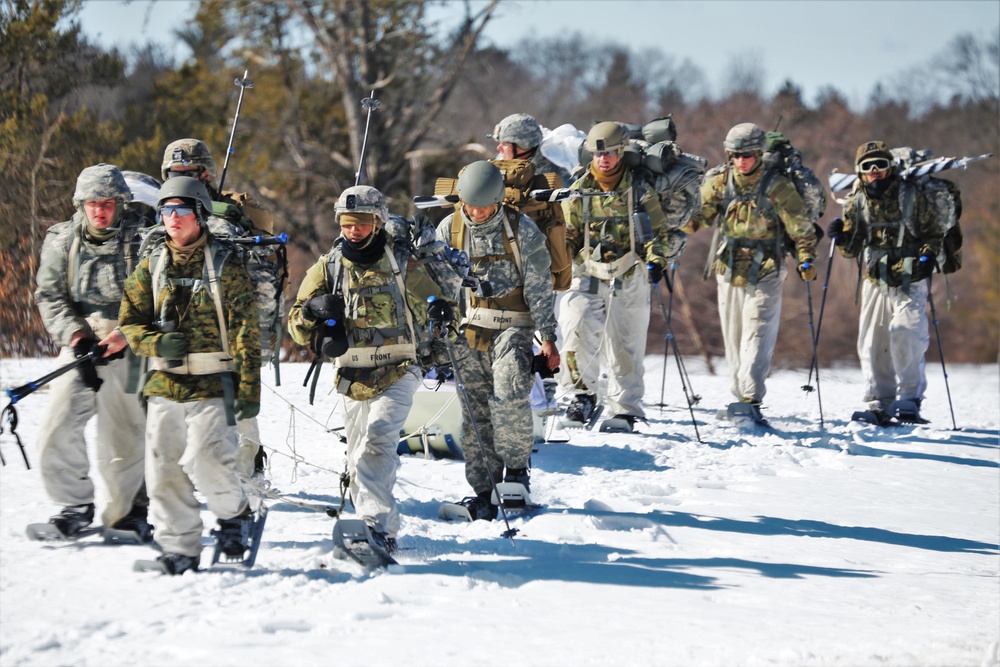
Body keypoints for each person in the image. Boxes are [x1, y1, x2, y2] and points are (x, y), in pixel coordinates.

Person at [287, 186, 457, 550]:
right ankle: (383, 522)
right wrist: (311, 311)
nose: (354, 230)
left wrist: (438, 309)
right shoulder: (329, 265)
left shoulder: (400, 263)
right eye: (347, 223)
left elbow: (433, 298)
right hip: (352, 375)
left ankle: (375, 528)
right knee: (357, 453)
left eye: (363, 222)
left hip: (399, 369)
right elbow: (295, 325)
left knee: (377, 443)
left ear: (378, 221)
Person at [118, 176, 261, 574]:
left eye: (180, 210)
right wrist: (153, 344)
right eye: (165, 211)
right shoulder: (152, 264)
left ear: (199, 213)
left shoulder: (225, 265)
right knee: (162, 468)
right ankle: (179, 545)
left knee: (207, 460)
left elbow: (247, 332)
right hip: (165, 383)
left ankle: (235, 515)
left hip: (214, 382)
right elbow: (129, 322)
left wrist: (250, 391)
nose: (172, 218)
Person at [435, 161, 560, 519]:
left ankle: (516, 474)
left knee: (508, 393)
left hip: (513, 327)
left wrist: (548, 337)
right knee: (474, 413)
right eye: (469, 205)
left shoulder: (522, 229)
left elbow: (539, 285)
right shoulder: (450, 228)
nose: (476, 212)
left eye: (483, 205)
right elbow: (438, 283)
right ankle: (485, 488)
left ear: (497, 200)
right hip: (468, 330)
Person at [32, 164, 151, 540]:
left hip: (129, 339)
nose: (100, 210)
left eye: (108, 203)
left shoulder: (146, 240)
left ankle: (127, 513)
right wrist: (76, 337)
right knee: (57, 422)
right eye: (92, 203)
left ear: (121, 203)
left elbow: (158, 297)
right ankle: (73, 505)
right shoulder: (62, 240)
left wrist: (124, 335)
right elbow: (50, 295)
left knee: (124, 432)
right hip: (81, 339)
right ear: (80, 205)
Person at [161, 138, 282, 480]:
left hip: (230, 335)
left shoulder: (229, 222)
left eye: (190, 173)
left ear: (206, 175)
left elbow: (261, 287)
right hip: (176, 338)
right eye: (174, 173)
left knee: (238, 416)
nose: (182, 180)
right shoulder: (163, 219)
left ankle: (246, 481)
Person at [558, 122, 686, 430]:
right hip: (588, 269)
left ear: (621, 152)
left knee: (625, 343)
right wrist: (556, 263)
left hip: (629, 271)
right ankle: (581, 395)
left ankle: (625, 407)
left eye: (611, 154)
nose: (604, 160)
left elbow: (657, 233)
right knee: (575, 327)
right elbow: (568, 235)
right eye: (598, 154)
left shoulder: (639, 189)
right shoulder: (579, 189)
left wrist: (656, 261)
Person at [683, 122, 817, 412]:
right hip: (729, 268)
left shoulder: (777, 185)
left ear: (759, 153)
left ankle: (751, 397)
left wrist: (806, 257)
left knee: (757, 332)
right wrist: (669, 221)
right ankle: (739, 396)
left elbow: (800, 226)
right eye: (735, 155)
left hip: (766, 268)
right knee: (733, 337)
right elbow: (698, 218)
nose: (741, 161)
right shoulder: (720, 181)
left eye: (747, 155)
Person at [830, 141, 943, 424]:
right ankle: (880, 401)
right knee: (872, 343)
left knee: (906, 335)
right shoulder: (858, 200)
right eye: (867, 166)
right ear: (860, 171)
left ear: (890, 167)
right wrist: (840, 236)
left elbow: (934, 233)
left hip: (911, 276)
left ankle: (909, 399)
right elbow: (852, 248)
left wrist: (928, 257)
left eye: (880, 164)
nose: (875, 171)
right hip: (875, 279)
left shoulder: (911, 195)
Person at [490, 112, 573, 188]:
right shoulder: (498, 166)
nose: (498, 148)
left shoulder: (558, 171)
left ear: (523, 144)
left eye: (505, 144)